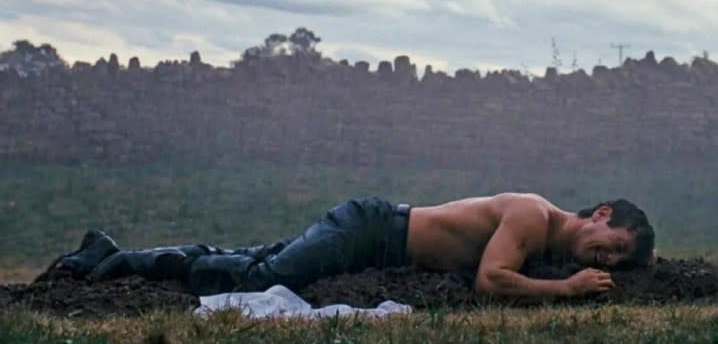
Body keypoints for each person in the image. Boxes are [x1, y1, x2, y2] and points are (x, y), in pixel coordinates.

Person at [50, 193, 655, 297]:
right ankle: (116, 260)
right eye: (613, 244)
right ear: (599, 214)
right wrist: (566, 289)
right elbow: (491, 280)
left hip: (373, 243)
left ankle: (109, 252)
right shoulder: (531, 214)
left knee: (258, 260)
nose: (606, 259)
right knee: (258, 281)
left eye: (616, 262)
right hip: (371, 229)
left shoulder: (548, 245)